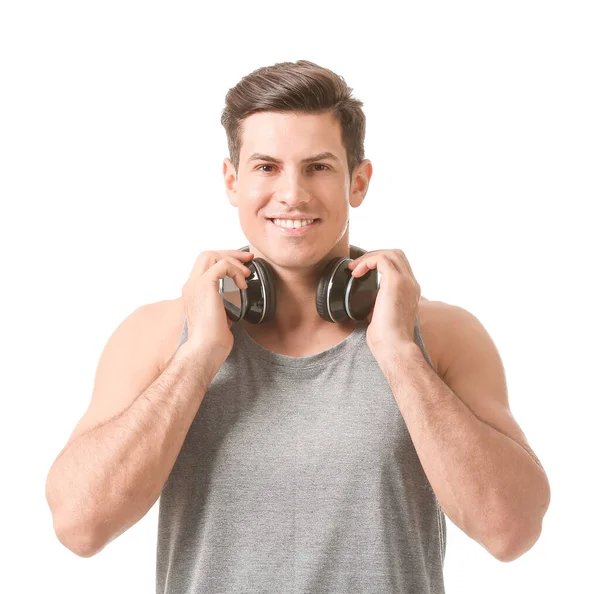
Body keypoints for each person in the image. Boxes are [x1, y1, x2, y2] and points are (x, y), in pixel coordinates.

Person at [45, 60, 551, 593]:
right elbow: (80, 526)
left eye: (318, 167)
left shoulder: (441, 337)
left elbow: (510, 532)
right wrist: (197, 357)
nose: (292, 194)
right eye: (266, 167)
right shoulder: (157, 335)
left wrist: (400, 353)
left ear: (358, 180)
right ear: (231, 181)